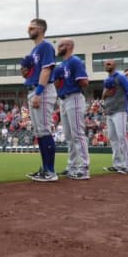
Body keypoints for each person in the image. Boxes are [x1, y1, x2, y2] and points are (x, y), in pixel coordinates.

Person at [21, 19, 58, 182]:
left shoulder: (45, 46)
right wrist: (26, 72)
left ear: (41, 29)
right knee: (39, 132)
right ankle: (45, 169)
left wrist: (38, 92)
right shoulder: (35, 49)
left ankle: (50, 171)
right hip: (34, 88)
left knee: (44, 130)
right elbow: (33, 72)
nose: (28, 29)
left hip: (42, 90)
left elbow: (46, 70)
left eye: (31, 27)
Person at [52, 38, 90, 180]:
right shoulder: (60, 65)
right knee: (68, 136)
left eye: (61, 45)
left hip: (74, 97)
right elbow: (56, 84)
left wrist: (70, 79)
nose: (59, 47)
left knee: (77, 134)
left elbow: (84, 82)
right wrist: (58, 79)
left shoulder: (75, 61)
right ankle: (72, 166)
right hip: (63, 99)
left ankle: (84, 168)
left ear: (69, 46)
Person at [101, 60, 128, 174]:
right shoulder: (106, 79)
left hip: (119, 110)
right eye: (105, 64)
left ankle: (127, 164)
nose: (107, 65)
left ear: (115, 65)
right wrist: (106, 94)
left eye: (109, 63)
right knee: (113, 138)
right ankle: (117, 164)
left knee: (121, 137)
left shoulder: (121, 77)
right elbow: (104, 95)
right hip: (109, 111)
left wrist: (122, 100)